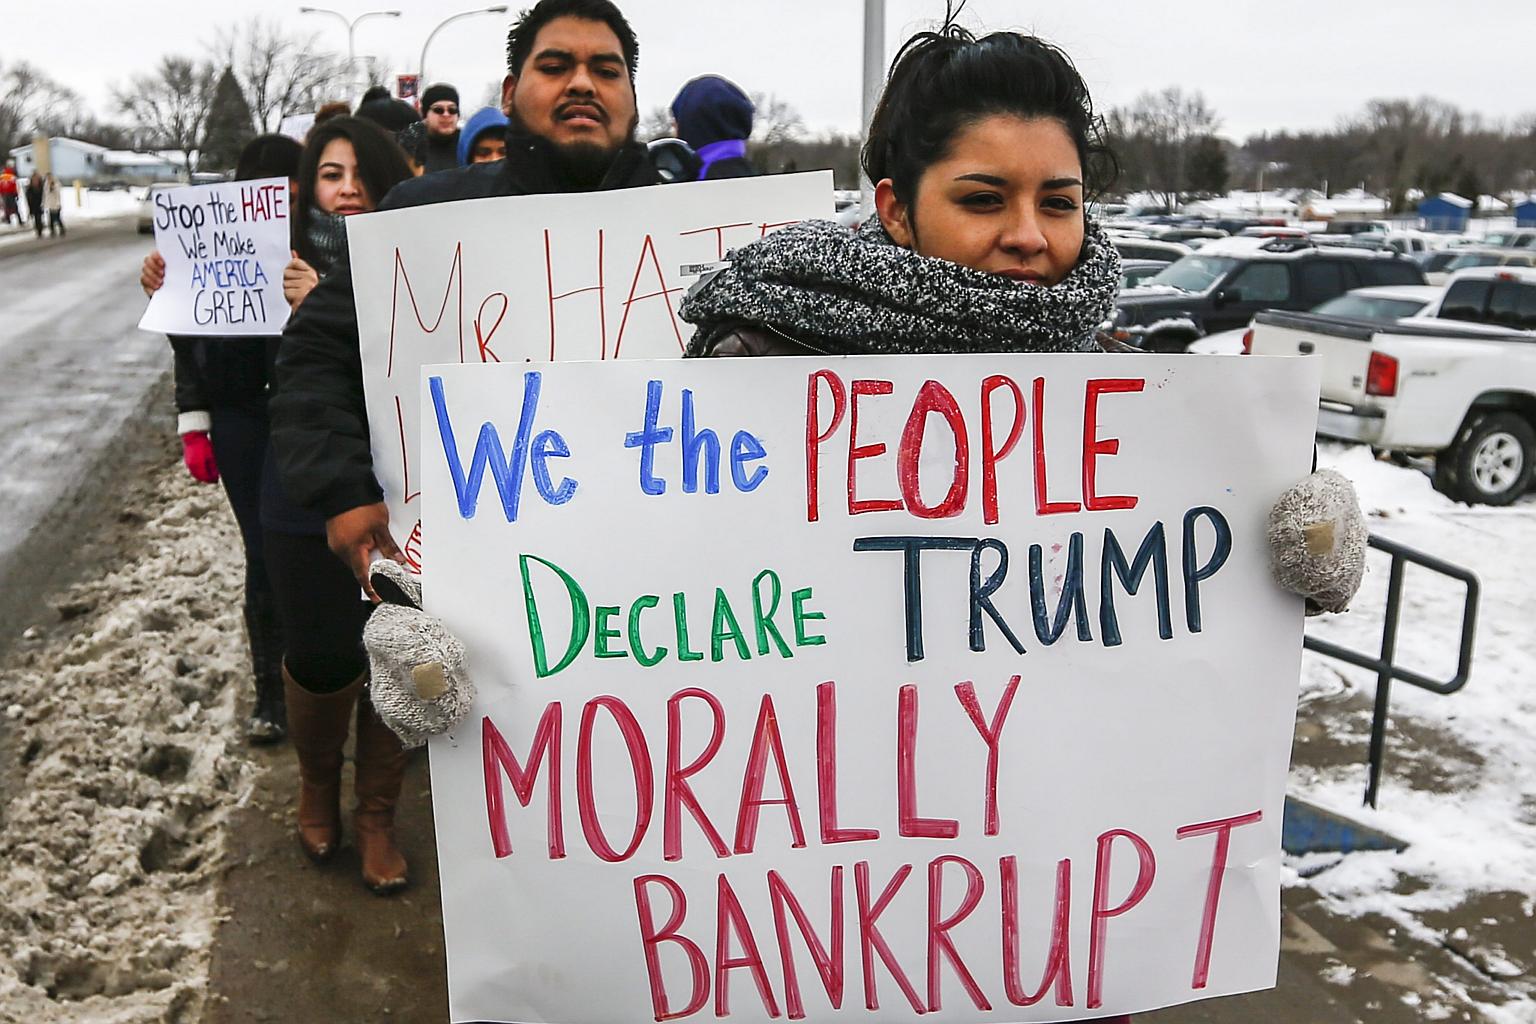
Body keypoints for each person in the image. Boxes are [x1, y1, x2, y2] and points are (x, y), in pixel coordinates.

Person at [676, 22, 1366, 613]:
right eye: (983, 199)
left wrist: (1301, 540)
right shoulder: (767, 353)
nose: (1029, 234)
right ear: (896, 212)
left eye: (1059, 203)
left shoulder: (1144, 400)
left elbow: (1202, 610)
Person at [271, 0, 657, 606]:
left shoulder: (702, 236)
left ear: (632, 97)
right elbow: (317, 354)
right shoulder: (420, 216)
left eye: (606, 71)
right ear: (509, 93)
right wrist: (342, 491)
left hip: (646, 588)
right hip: (462, 573)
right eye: (555, 65)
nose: (582, 82)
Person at [145, 118, 416, 893]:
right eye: (331, 174)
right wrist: (175, 293)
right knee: (322, 650)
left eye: (363, 172)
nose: (349, 187)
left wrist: (329, 306)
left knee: (398, 643)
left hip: (409, 486)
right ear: (309, 189)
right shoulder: (270, 263)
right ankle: (315, 785)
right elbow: (222, 367)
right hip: (301, 488)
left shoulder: (427, 260)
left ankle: (377, 816)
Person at [141, 134, 304, 745]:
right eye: (261, 182)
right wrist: (194, 419)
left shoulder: (318, 241)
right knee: (262, 554)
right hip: (240, 417)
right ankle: (271, 693)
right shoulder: (212, 240)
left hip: (306, 414)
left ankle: (332, 672)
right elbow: (187, 338)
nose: (276, 193)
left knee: (310, 554)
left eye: (286, 182)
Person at [669, 74, 756, 180]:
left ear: (692, 125)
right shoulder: (753, 175)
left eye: (676, 121)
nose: (673, 131)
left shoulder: (702, 182)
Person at [412, 82, 462, 173]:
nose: (446, 115)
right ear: (425, 114)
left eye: (452, 110)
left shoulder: (469, 145)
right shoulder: (411, 147)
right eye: (438, 110)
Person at [43, 172, 63, 237]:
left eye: (50, 177)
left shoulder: (56, 184)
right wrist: (44, 204)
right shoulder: (46, 185)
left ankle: (61, 228)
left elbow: (58, 193)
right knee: (51, 218)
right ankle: (52, 230)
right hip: (50, 204)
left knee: (57, 218)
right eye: (48, 178)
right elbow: (45, 195)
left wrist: (53, 186)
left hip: (56, 203)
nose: (49, 179)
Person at [25, 173, 44, 238]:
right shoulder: (30, 188)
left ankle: (40, 230)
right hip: (33, 205)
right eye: (34, 179)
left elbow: (43, 196)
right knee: (36, 219)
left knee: (39, 218)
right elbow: (28, 197)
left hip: (40, 205)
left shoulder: (41, 187)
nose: (35, 181)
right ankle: (38, 230)